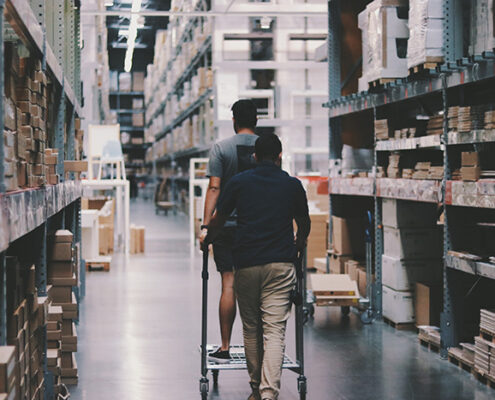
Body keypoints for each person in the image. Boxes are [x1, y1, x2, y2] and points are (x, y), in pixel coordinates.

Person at [201, 133, 311, 400]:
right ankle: (268, 393)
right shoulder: (293, 185)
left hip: (247, 264)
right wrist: (299, 243)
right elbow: (304, 222)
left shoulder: (239, 183)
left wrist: (207, 238)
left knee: (251, 329)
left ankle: (254, 389)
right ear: (280, 156)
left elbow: (219, 218)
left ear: (254, 157)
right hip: (281, 265)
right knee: (274, 330)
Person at [200, 99, 259, 363]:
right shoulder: (267, 147)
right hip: (256, 226)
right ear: (256, 120)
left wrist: (205, 226)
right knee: (257, 285)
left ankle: (225, 347)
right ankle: (256, 346)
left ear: (234, 120)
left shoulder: (221, 148)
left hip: (225, 226)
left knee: (229, 283)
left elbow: (214, 188)